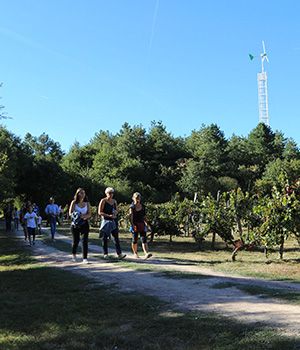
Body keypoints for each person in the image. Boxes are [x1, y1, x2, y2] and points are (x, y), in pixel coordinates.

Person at [98, 187, 126, 259]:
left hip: (113, 221)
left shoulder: (114, 201)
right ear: (106, 193)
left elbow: (116, 210)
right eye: (109, 193)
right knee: (105, 238)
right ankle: (105, 254)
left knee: (116, 237)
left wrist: (115, 214)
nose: (111, 194)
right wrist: (108, 215)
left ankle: (119, 254)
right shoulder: (103, 201)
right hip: (106, 221)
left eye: (112, 193)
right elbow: (100, 212)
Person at [69, 188, 91, 264]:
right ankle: (74, 255)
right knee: (76, 240)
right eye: (81, 193)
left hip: (84, 223)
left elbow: (89, 214)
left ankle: (85, 258)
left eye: (84, 193)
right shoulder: (74, 202)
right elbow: (70, 213)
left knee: (85, 241)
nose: (83, 194)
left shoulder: (87, 203)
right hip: (75, 224)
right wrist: (77, 215)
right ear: (77, 194)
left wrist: (84, 216)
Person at [129, 192, 152, 259]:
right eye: (136, 198)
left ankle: (146, 253)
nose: (137, 199)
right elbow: (131, 217)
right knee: (134, 239)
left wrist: (147, 224)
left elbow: (144, 216)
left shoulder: (143, 206)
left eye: (139, 198)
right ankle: (135, 253)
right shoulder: (132, 207)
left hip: (142, 224)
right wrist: (132, 225)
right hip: (135, 224)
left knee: (143, 238)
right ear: (133, 198)